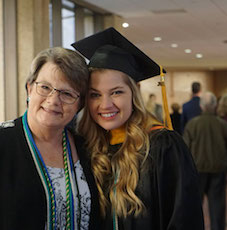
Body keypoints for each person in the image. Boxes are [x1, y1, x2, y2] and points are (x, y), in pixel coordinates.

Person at [0, 47, 102, 230]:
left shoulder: (85, 148)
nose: (54, 100)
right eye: (45, 87)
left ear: (79, 104)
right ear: (29, 88)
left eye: (67, 94)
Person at [72, 27, 204, 230]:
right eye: (95, 94)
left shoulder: (162, 146)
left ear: (134, 93)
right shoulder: (87, 148)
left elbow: (185, 219)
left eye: (116, 92)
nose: (105, 105)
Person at [183, 92, 227, 230]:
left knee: (194, 207)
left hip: (197, 170)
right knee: (217, 209)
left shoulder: (192, 124)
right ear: (215, 105)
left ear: (201, 106)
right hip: (218, 170)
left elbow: (185, 150)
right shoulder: (223, 125)